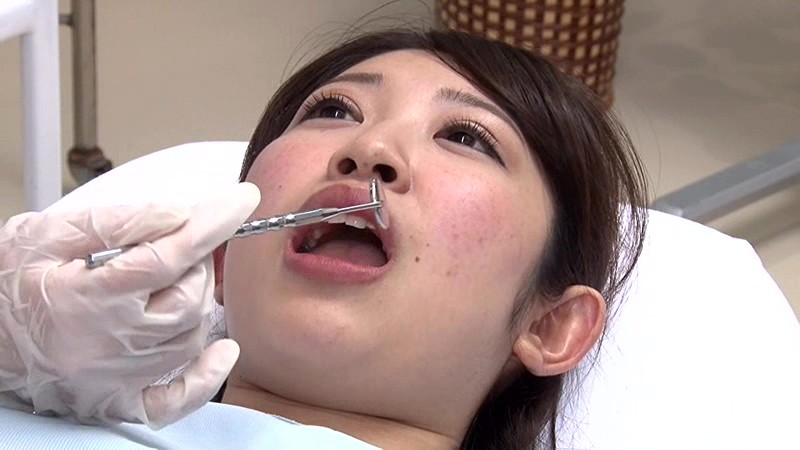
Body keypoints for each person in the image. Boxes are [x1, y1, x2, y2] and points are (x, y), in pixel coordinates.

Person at [0, 29, 648, 449]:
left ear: (551, 325)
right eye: (335, 111)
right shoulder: (36, 389)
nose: (370, 147)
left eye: (465, 137)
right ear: (221, 257)